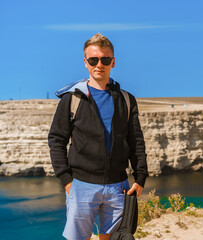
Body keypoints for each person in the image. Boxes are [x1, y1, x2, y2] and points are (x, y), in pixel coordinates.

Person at [48, 33, 148, 240]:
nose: (99, 64)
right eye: (93, 60)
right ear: (86, 63)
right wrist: (66, 181)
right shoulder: (72, 99)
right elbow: (56, 139)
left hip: (118, 186)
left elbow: (135, 140)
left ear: (113, 62)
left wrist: (140, 177)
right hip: (81, 185)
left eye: (105, 59)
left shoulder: (127, 100)